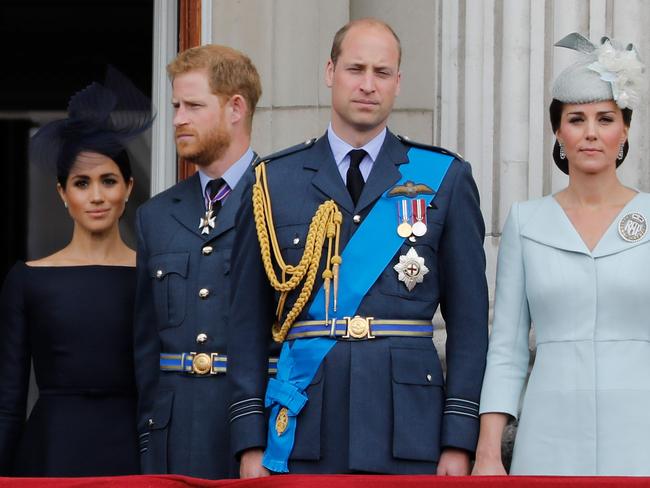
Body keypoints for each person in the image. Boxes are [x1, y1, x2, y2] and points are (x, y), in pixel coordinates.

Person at [228, 18, 488, 477]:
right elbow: (246, 323)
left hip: (410, 430)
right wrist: (250, 442)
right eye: (356, 69)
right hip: (303, 429)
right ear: (330, 71)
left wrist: (458, 440)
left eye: (382, 73)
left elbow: (469, 325)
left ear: (398, 82)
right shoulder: (273, 181)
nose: (368, 85)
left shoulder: (443, 177)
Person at [474, 33, 649, 476]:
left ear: (624, 129)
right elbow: (508, 349)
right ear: (558, 131)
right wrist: (489, 452)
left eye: (605, 118)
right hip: (548, 437)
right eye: (576, 119)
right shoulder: (526, 222)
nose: (591, 133)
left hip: (639, 432)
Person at [0, 68, 153, 477]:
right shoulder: (28, 279)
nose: (97, 195)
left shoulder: (151, 276)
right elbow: (8, 398)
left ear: (128, 187)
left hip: (133, 454)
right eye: (82, 183)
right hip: (51, 453)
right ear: (62, 193)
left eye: (108, 180)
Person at [133, 44, 270, 479]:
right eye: (176, 105)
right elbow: (145, 346)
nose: (177, 119)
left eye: (193, 105)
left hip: (256, 433)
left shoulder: (284, 198)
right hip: (172, 437)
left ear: (235, 107)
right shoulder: (155, 215)